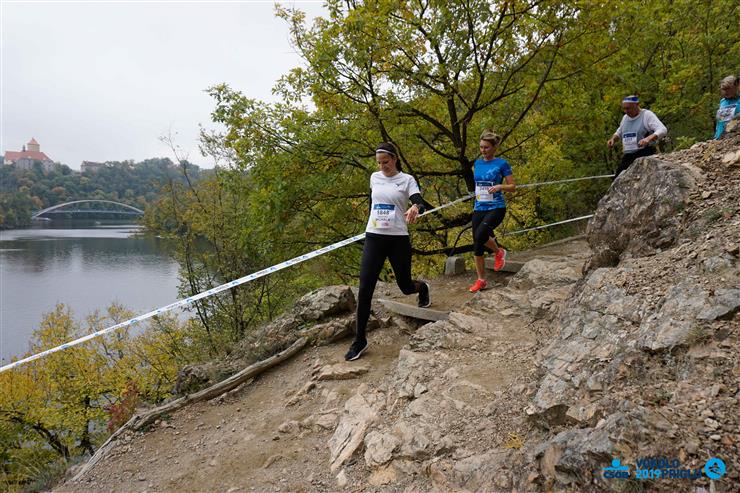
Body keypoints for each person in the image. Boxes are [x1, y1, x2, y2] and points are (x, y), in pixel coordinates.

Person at [345, 142, 430, 361]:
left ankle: (422, 288)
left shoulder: (407, 180)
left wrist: (415, 207)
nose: (382, 166)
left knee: (405, 286)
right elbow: (373, 203)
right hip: (374, 237)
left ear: (394, 159)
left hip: (398, 238)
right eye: (379, 163)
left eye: (386, 162)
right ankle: (359, 340)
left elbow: (419, 202)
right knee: (365, 289)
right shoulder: (374, 177)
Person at [467, 130, 515, 293]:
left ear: (494, 147)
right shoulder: (477, 163)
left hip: (496, 207)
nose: (483, 150)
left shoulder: (502, 164)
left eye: (486, 147)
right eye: (481, 147)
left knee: (481, 234)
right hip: (479, 206)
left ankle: (498, 252)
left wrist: (500, 186)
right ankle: (481, 280)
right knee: (477, 244)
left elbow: (512, 187)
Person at [607, 95, 668, 178]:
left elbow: (662, 129)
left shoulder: (647, 115)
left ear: (637, 105)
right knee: (618, 178)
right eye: (624, 109)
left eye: (628, 108)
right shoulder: (625, 118)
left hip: (645, 153)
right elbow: (619, 132)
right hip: (628, 155)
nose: (626, 111)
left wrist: (648, 139)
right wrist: (613, 139)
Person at [714, 75, 739, 140]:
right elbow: (720, 121)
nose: (725, 91)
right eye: (723, 89)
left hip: (734, 136)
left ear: (735, 87)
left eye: (728, 88)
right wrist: (716, 136)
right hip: (719, 137)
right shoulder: (722, 101)